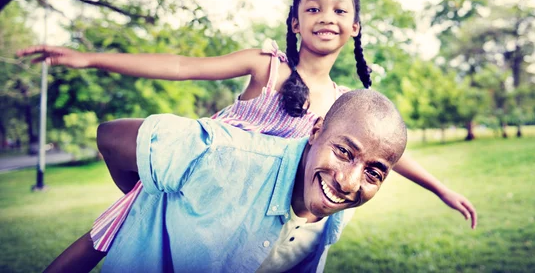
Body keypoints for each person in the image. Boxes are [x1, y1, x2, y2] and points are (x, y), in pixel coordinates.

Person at [20, 0, 476, 268]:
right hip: (201, 179)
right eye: (313, 8)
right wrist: (87, 59)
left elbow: (386, 156)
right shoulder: (268, 65)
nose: (326, 17)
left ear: (355, 27)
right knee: (103, 237)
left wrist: (442, 189)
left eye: (340, 10)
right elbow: (181, 66)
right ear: (294, 22)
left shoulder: (341, 104)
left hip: (242, 215)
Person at [55, 89, 408, 273]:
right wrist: (154, 194)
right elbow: (110, 137)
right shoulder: (221, 154)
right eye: (344, 152)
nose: (348, 182)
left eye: (373, 172)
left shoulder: (339, 208)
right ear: (316, 131)